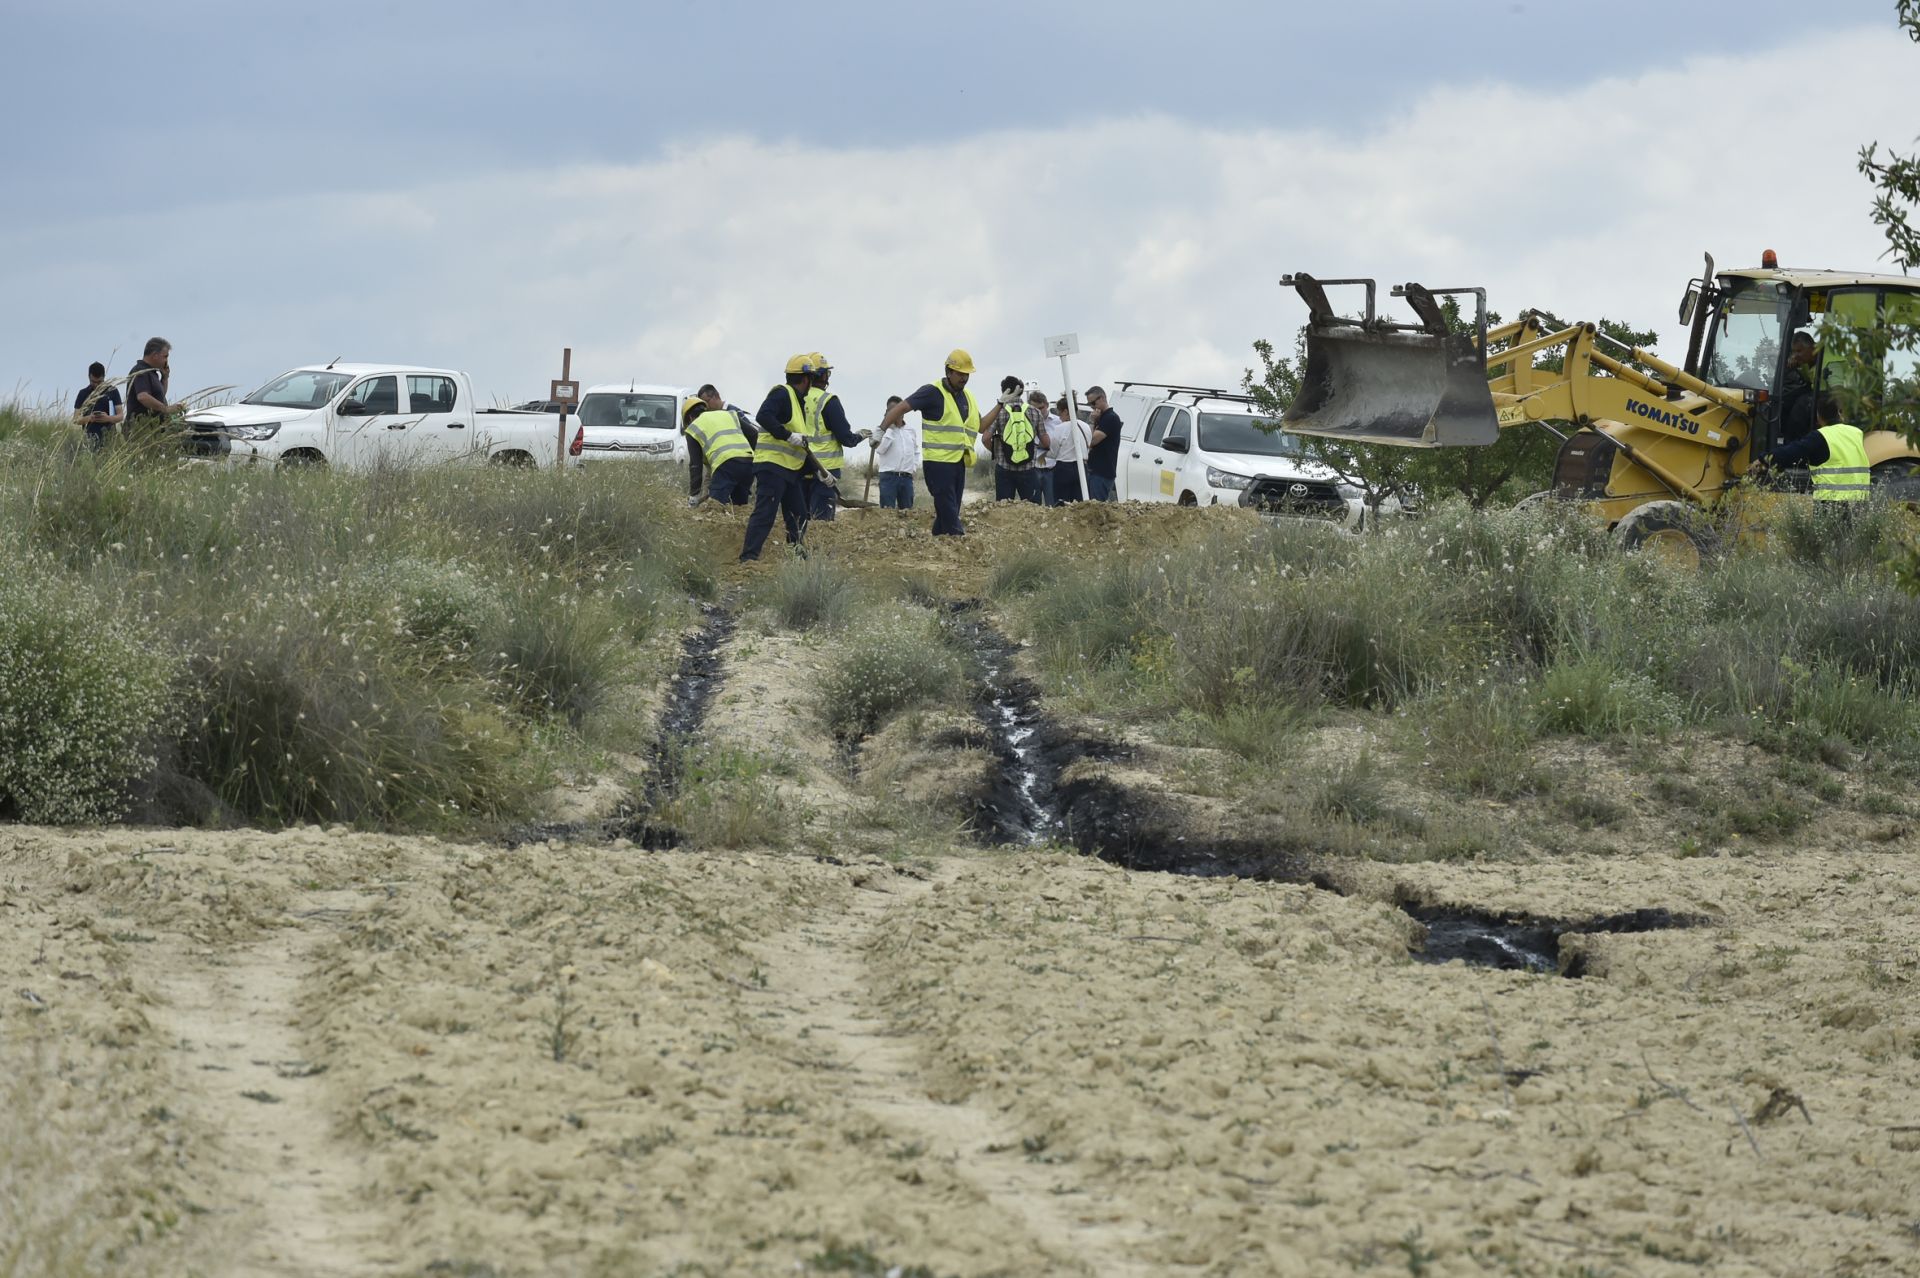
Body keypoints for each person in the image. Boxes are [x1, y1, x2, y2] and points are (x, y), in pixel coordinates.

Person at [876, 349, 981, 536]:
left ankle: (936, 541)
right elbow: (901, 407)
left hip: (958, 462)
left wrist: (1001, 403)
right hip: (938, 464)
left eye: (967, 374)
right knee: (949, 512)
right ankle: (961, 544)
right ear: (949, 371)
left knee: (950, 510)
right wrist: (881, 429)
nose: (964, 378)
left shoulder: (967, 397)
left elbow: (981, 427)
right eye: (960, 374)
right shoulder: (932, 392)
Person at [740, 355, 823, 562]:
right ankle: (748, 558)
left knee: (799, 513)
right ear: (805, 379)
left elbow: (800, 447)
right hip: (772, 467)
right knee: (765, 513)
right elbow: (763, 416)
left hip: (789, 471)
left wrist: (821, 472)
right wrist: (787, 435)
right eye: (811, 379)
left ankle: (796, 554)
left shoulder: (797, 402)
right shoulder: (782, 393)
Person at [1755, 393, 1871, 504]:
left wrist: (1764, 458)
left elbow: (1791, 452)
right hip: (1860, 500)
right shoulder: (1856, 433)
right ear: (1839, 414)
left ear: (1818, 416)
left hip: (1832, 500)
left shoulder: (1820, 436)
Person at [801, 352, 864, 522]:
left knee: (801, 519)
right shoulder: (828, 401)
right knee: (822, 523)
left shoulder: (797, 398)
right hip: (825, 469)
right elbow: (846, 438)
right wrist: (860, 436)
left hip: (800, 465)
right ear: (822, 375)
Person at [978, 375, 1051, 504]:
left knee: (1004, 510)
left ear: (1003, 391)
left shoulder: (999, 412)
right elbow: (1046, 442)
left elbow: (985, 438)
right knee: (1033, 511)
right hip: (1028, 469)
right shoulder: (1034, 412)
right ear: (1021, 391)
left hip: (1004, 469)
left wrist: (997, 453)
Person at [682, 389, 757, 507]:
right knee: (739, 509)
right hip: (748, 464)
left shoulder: (693, 428)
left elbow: (695, 466)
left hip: (725, 466)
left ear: (690, 418)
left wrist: (694, 497)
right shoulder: (729, 414)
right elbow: (753, 434)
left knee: (715, 508)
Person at [125, 337, 185, 441]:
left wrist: (165, 377)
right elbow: (142, 397)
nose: (166, 361)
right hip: (140, 430)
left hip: (151, 430)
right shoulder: (140, 371)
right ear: (155, 356)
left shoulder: (152, 373)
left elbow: (160, 396)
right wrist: (166, 409)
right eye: (165, 356)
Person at [870, 394, 919, 509]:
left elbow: (916, 452)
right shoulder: (881, 430)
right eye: (889, 411)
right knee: (887, 512)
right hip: (888, 478)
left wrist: (913, 468)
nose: (892, 413)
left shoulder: (910, 431)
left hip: (906, 478)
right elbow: (881, 449)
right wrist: (890, 429)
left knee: (907, 511)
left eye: (895, 410)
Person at [1082, 386, 1123, 501]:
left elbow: (1090, 441)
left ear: (1102, 398)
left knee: (1096, 507)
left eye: (1093, 403)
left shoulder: (1111, 418)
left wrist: (1091, 421)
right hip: (1095, 470)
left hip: (1102, 472)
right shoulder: (1101, 418)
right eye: (1090, 404)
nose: (1092, 407)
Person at [1777, 331, 1819, 444]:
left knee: (1801, 405)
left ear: (1812, 347)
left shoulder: (1826, 360)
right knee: (1783, 400)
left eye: (1799, 351)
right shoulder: (1802, 362)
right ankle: (1783, 438)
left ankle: (1796, 444)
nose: (1795, 355)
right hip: (1811, 388)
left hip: (1826, 392)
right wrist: (1789, 366)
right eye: (1794, 352)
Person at [1047, 395, 1090, 503]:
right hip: (1082, 467)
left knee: (1061, 503)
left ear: (1066, 411)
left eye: (1059, 413)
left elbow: (1053, 452)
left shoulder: (1060, 428)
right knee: (1080, 504)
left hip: (1064, 468)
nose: (1059, 417)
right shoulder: (1086, 426)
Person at [72, 361, 124, 448]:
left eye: (99, 382)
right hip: (89, 439)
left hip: (109, 439)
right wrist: (90, 418)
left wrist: (108, 418)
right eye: (93, 381)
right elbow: (75, 419)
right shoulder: (83, 393)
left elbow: (120, 416)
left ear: (104, 377)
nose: (96, 385)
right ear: (89, 377)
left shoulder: (112, 391)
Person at [1029, 389, 1059, 505]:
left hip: (1052, 469)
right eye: (1035, 409)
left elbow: (1056, 445)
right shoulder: (1026, 423)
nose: (1039, 412)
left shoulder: (1058, 422)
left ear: (1047, 405)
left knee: (1052, 506)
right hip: (1034, 468)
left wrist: (1039, 444)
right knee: (1033, 507)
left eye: (1041, 408)